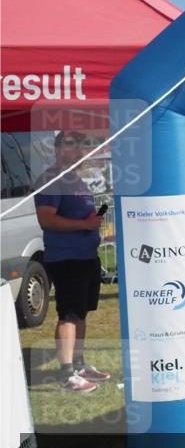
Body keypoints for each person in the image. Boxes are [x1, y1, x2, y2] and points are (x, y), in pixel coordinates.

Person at [33, 131, 111, 393]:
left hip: (86, 257)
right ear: (57, 150)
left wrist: (93, 219)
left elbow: (80, 216)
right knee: (68, 313)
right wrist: (84, 223)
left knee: (81, 313)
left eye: (81, 146)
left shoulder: (76, 180)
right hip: (66, 258)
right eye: (72, 146)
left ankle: (78, 364)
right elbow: (46, 219)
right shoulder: (51, 179)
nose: (79, 151)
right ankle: (67, 373)